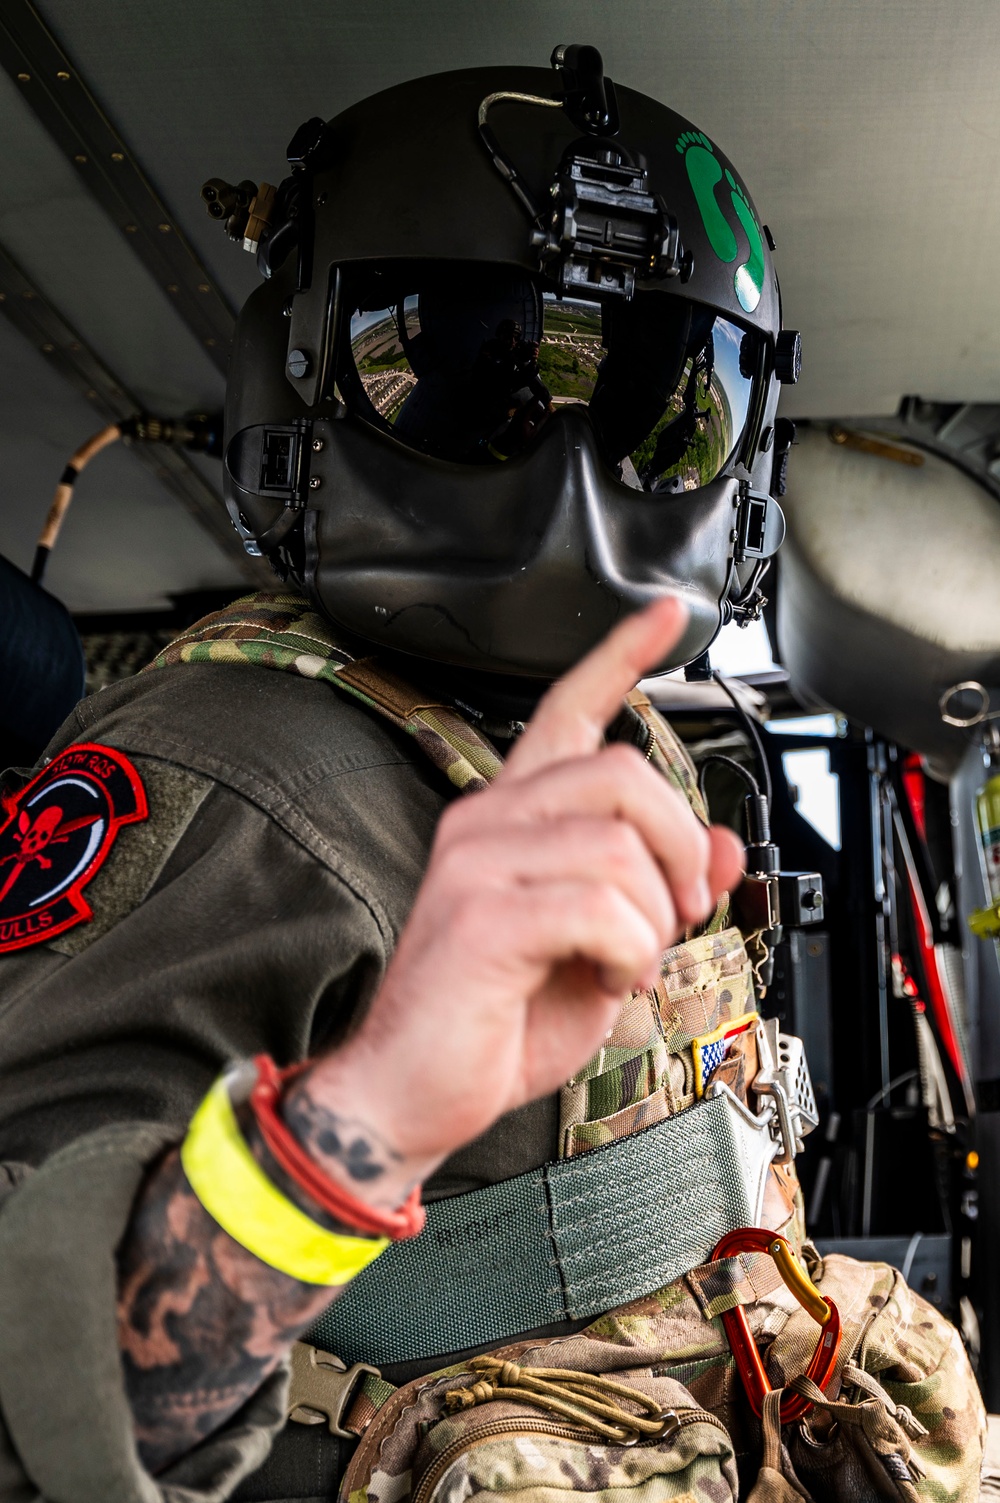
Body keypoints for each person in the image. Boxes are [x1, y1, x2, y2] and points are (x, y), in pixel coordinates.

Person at [0, 44, 983, 1503]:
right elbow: (35, 1394)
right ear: (301, 391)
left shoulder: (616, 732)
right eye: (463, 375)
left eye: (666, 398)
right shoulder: (220, 768)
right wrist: (369, 1113)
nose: (573, 480)